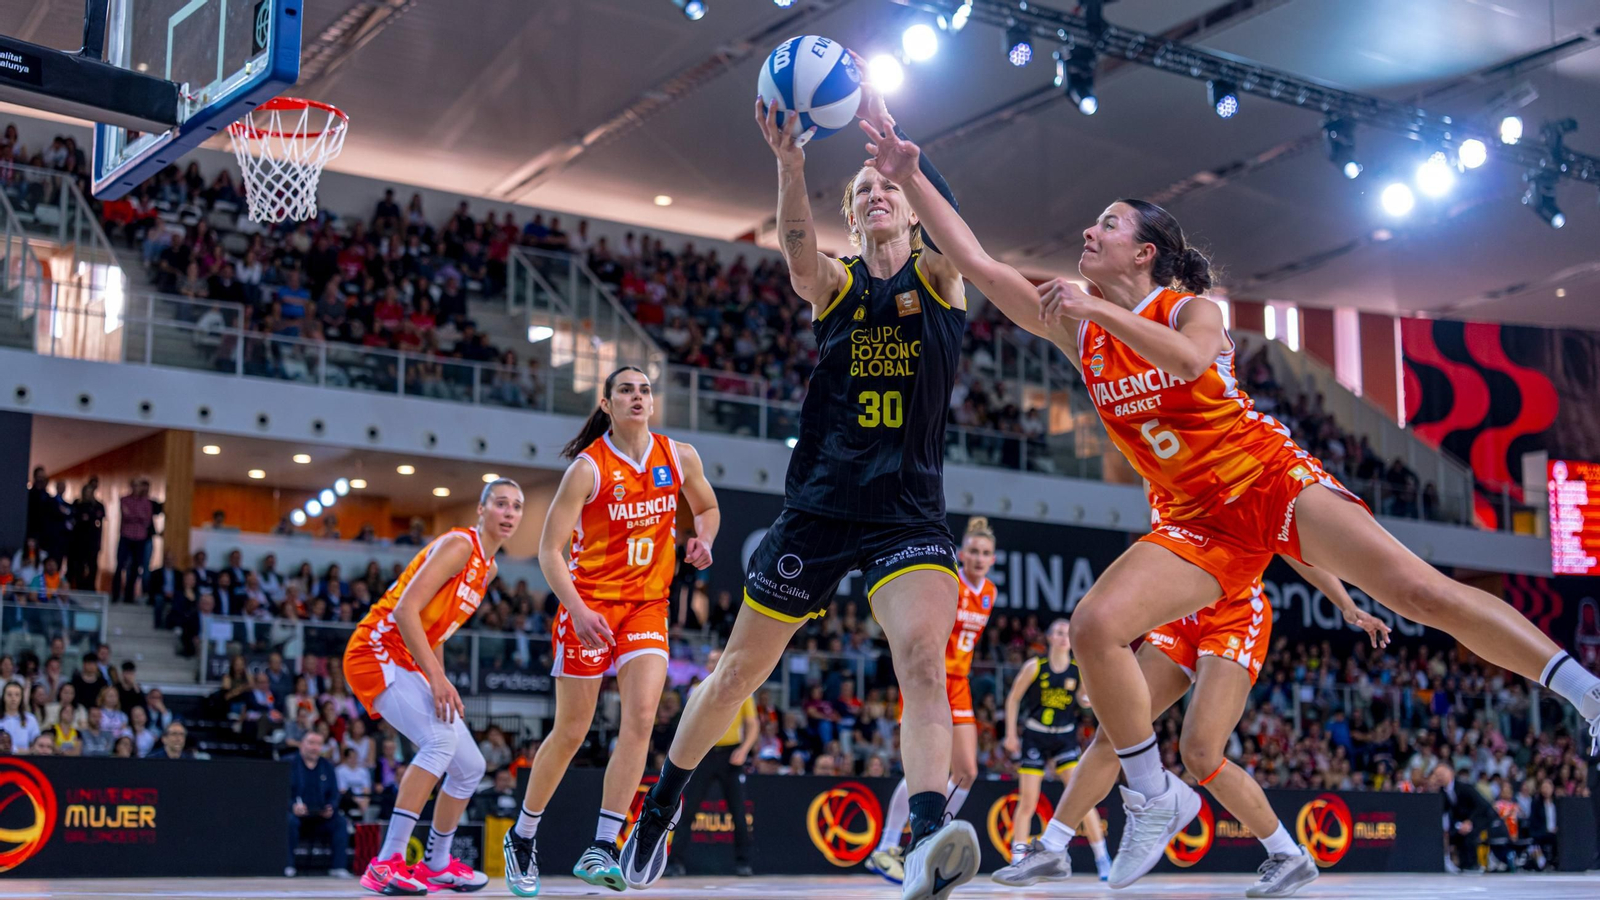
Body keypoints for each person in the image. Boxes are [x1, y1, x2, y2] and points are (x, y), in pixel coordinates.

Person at [863, 112, 1600, 889]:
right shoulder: (1079, 329)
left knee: (1422, 592)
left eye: (1106, 223)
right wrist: (911, 174)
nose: (1088, 228)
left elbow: (1185, 363)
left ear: (1143, 252)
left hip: (1269, 482)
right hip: (1193, 522)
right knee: (1094, 627)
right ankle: (1152, 795)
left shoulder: (1185, 310)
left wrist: (1096, 309)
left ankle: (1587, 696)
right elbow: (975, 260)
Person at [620, 75, 979, 900]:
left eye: (887, 188)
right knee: (736, 675)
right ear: (850, 216)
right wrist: (789, 162)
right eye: (863, 191)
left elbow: (958, 235)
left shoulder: (937, 280)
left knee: (922, 660)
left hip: (907, 515)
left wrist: (906, 162)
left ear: (913, 208)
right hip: (816, 507)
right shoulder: (841, 284)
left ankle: (924, 839)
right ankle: (661, 807)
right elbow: (792, 250)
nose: (876, 195)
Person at [1000, 561, 1388, 895]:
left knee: (1201, 753)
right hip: (1184, 608)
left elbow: (1299, 548)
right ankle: (1052, 846)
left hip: (1235, 614)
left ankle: (1288, 854)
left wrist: (1347, 605)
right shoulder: (1160, 479)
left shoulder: (1249, 478)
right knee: (1116, 729)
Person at [503, 367, 720, 896]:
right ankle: (523, 835)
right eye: (626, 390)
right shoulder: (587, 468)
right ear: (607, 403)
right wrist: (576, 609)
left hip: (647, 605)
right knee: (572, 730)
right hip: (589, 606)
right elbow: (548, 551)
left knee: (643, 716)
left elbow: (708, 507)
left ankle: (603, 843)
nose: (637, 397)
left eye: (644, 390)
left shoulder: (679, 455)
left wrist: (704, 540)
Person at [342, 479, 525, 894]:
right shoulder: (461, 546)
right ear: (481, 510)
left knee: (471, 766)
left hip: (407, 659)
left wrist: (437, 678)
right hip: (375, 651)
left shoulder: (489, 568)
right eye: (501, 504)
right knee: (440, 743)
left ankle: (437, 864)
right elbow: (406, 610)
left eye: (516, 506)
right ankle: (386, 862)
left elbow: (436, 630)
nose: (510, 513)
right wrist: (437, 679)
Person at [869, 517, 1001, 883]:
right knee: (927, 770)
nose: (978, 557)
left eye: (985, 553)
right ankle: (888, 845)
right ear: (961, 553)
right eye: (973, 550)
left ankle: (931, 838)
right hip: (931, 679)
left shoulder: (990, 591)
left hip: (961, 683)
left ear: (992, 559)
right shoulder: (950, 581)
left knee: (967, 771)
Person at [991, 619, 1111, 882]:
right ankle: (1017, 860)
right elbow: (1013, 699)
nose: (1063, 636)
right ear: (1049, 637)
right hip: (1036, 736)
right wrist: (1011, 733)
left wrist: (1086, 698)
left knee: (1082, 798)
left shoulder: (1079, 670)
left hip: (1065, 738)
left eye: (1068, 633)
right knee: (1028, 801)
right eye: (1058, 632)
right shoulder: (1035, 666)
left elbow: (1082, 700)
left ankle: (1103, 858)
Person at [675, 649, 758, 877]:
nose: (713, 664)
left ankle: (743, 863)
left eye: (717, 660)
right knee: (688, 809)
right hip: (703, 754)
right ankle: (675, 863)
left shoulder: (742, 688)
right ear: (706, 665)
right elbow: (689, 723)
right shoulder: (697, 690)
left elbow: (753, 725)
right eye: (710, 661)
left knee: (739, 812)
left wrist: (744, 749)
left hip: (731, 756)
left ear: (724, 662)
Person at [287, 730, 351, 878]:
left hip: (320, 816)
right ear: (302, 744)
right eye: (311, 743)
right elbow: (280, 793)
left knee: (340, 822)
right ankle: (288, 865)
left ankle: (338, 867)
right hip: (298, 816)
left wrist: (331, 807)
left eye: (318, 744)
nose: (314, 747)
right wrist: (292, 806)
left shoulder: (327, 766)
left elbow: (334, 794)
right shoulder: (290, 764)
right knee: (289, 821)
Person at [1429, 763, 1511, 872]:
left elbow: (1481, 805)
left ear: (1450, 773)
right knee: (1456, 833)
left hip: (1483, 816)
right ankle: (1464, 865)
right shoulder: (1443, 792)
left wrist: (1469, 821)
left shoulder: (1464, 787)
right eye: (1436, 775)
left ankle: (1474, 865)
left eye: (1441, 774)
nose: (1439, 777)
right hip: (1464, 820)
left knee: (1469, 833)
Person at [68, 477, 105, 590]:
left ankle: (91, 587)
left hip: (92, 541)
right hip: (78, 540)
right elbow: (75, 518)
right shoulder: (77, 504)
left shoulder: (98, 506)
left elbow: (98, 520)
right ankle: (79, 586)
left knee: (92, 564)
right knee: (79, 564)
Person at [0, 682, 40, 753]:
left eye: (17, 695)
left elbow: (37, 746)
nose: (13, 698)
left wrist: (15, 750)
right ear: (3, 697)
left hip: (24, 760)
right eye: (9, 695)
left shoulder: (30, 719)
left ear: (21, 698)